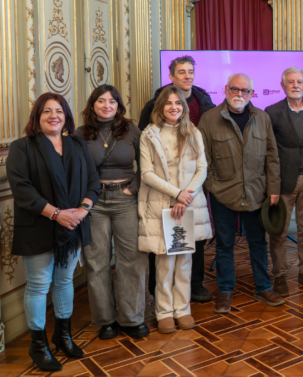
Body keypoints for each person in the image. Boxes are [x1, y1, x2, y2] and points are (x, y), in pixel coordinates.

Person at [7, 93, 101, 371]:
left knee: (64, 282)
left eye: (58, 110)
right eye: (46, 111)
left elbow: (93, 182)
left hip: (73, 226)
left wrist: (82, 211)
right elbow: (22, 189)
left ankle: (63, 336)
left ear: (66, 116)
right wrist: (57, 214)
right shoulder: (22, 147)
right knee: (38, 286)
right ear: (37, 117)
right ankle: (38, 346)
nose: (53, 116)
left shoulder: (78, 145)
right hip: (38, 227)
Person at [199, 73, 285, 313]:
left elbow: (272, 156)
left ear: (251, 94)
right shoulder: (209, 119)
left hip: (257, 193)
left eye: (244, 90)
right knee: (224, 244)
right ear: (226, 90)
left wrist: (273, 188)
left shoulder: (262, 118)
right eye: (235, 89)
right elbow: (203, 160)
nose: (239, 94)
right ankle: (225, 291)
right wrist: (212, 187)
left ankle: (263, 287)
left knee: (257, 243)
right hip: (223, 194)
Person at [139, 55, 216, 302]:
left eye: (190, 71)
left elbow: (203, 160)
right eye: (181, 72)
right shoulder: (152, 109)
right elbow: (145, 157)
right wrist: (176, 194)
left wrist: (187, 193)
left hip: (193, 189)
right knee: (162, 245)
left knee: (194, 241)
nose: (187, 75)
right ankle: (159, 295)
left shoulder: (205, 103)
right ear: (171, 76)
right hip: (163, 191)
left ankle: (194, 286)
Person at [75, 85, 149, 340]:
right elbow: (76, 169)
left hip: (125, 199)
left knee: (132, 260)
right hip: (94, 201)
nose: (107, 105)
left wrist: (133, 189)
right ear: (92, 104)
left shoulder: (132, 130)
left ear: (119, 106)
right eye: (101, 101)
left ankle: (132, 318)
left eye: (112, 101)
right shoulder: (81, 133)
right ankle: (106, 320)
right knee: (96, 262)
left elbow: (147, 165)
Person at [265, 68, 303, 295]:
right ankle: (279, 274)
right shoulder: (272, 112)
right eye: (290, 82)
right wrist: (272, 184)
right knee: (279, 230)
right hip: (283, 180)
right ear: (283, 86)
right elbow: (270, 149)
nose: (295, 85)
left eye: (299, 81)